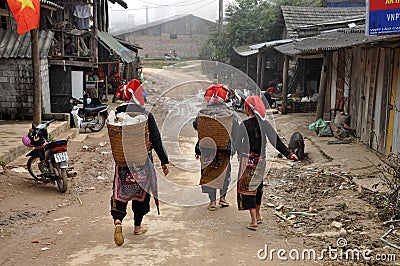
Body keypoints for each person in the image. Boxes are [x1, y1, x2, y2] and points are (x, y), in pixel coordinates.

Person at [110, 80, 169, 246]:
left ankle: (118, 222)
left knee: (119, 192)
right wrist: (164, 161)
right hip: (141, 163)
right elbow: (156, 139)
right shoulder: (145, 115)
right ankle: (137, 226)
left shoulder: (117, 113)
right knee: (141, 195)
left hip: (123, 163)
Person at [235, 95, 297, 230]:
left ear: (248, 109)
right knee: (258, 188)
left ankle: (253, 221)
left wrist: (238, 153)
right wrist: (289, 154)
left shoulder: (244, 125)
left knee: (247, 189)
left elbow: (236, 143)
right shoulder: (265, 124)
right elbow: (276, 141)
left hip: (248, 161)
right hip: (261, 161)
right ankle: (258, 215)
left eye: (245, 108)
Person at [193, 84, 239, 211]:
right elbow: (236, 130)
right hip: (224, 149)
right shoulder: (230, 114)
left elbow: (196, 126)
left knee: (208, 173)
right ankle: (223, 198)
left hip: (207, 149)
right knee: (225, 172)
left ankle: (212, 201)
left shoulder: (203, 113)